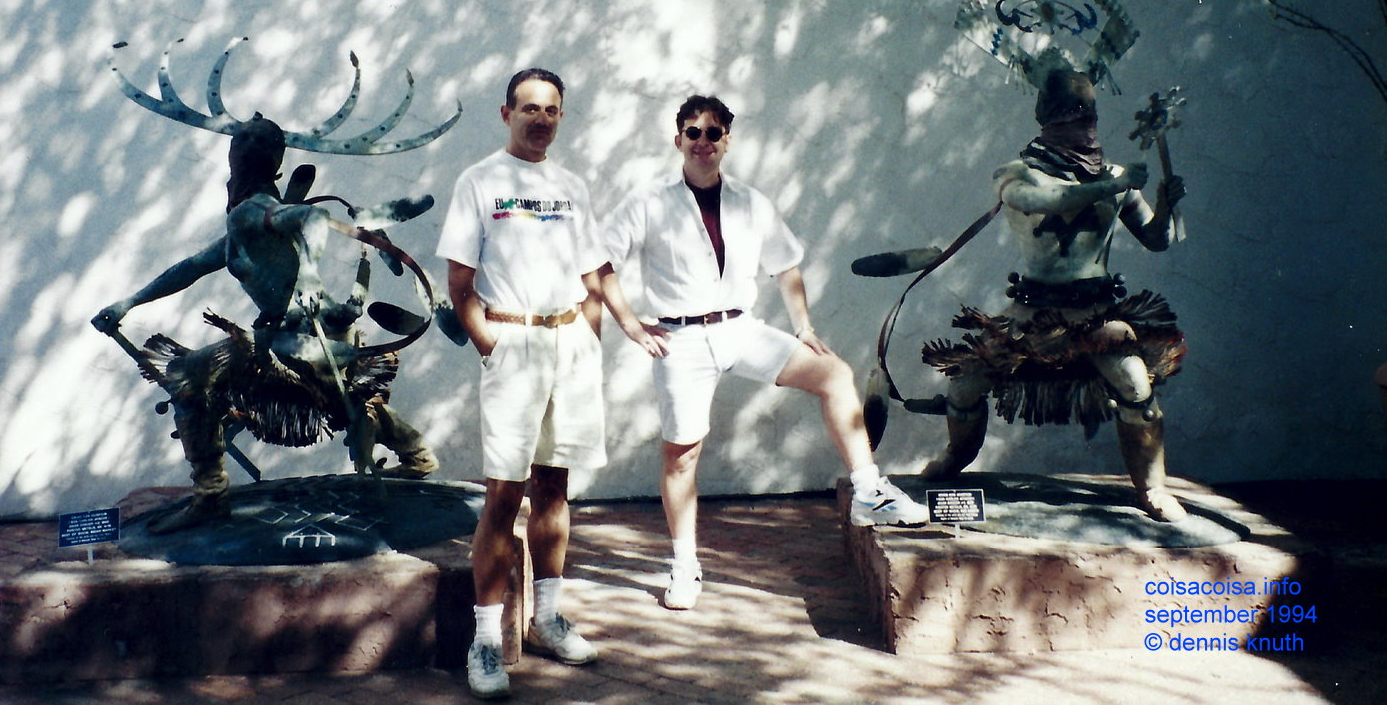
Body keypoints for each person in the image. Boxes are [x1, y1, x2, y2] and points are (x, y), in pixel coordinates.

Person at [602, 95, 927, 613]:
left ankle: (869, 491)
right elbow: (599, 262)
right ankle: (684, 563)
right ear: (677, 139)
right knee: (682, 455)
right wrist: (629, 324)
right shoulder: (648, 202)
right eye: (693, 132)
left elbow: (786, 265)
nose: (702, 142)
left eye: (713, 133)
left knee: (834, 373)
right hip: (681, 340)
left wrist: (803, 326)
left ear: (727, 140)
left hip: (740, 328)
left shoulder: (751, 202)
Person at [436, 68, 663, 700]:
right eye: (529, 108)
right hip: (514, 345)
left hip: (570, 347)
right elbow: (460, 284)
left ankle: (548, 618)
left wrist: (601, 328)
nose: (541, 119)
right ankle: (485, 640)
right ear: (505, 112)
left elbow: (596, 268)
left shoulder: (570, 186)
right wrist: (493, 345)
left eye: (552, 110)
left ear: (561, 117)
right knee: (503, 496)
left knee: (556, 489)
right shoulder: (480, 181)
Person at [92, 116, 437, 531]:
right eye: (246, 138)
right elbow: (192, 267)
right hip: (305, 336)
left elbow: (312, 219)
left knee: (190, 377)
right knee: (338, 403)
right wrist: (129, 301)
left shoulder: (255, 211)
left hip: (302, 339)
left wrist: (308, 274)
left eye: (259, 140)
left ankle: (210, 495)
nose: (250, 143)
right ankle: (416, 455)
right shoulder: (243, 219)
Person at [920, 69, 1189, 521]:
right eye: (1067, 117)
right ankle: (955, 456)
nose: (1080, 127)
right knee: (965, 382)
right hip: (1031, 314)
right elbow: (1047, 201)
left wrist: (1166, 203)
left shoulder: (1118, 178)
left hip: (1096, 313)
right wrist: (1110, 187)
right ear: (1046, 119)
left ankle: (1153, 487)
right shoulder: (1017, 173)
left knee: (1135, 385)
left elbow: (1158, 239)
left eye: (1087, 117)